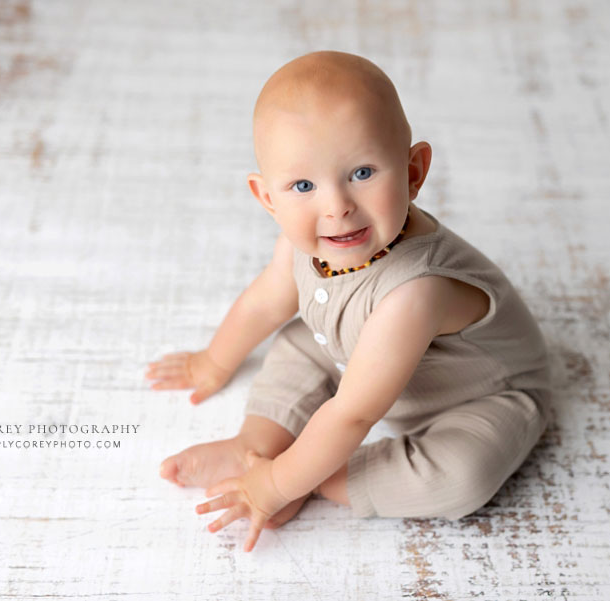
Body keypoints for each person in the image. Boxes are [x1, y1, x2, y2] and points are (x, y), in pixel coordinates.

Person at [146, 50, 551, 552]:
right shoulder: (300, 247)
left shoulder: (415, 291)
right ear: (267, 197)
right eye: (303, 185)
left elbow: (352, 415)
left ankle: (314, 479)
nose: (336, 207)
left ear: (414, 170)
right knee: (298, 342)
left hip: (477, 398)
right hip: (365, 356)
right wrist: (213, 360)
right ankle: (254, 444)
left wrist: (274, 487)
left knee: (462, 476)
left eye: (362, 173)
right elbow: (262, 306)